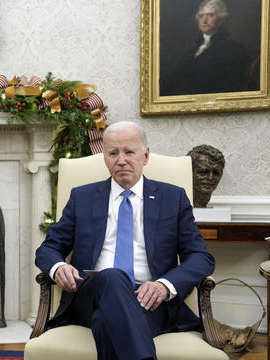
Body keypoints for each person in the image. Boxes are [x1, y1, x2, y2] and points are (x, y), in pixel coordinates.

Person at [35, 121, 215, 360]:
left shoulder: (173, 198)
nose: (121, 160)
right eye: (113, 153)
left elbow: (200, 257)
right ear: (105, 158)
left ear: (146, 155)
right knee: (111, 275)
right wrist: (58, 267)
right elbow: (48, 249)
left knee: (104, 323)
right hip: (90, 296)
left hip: (149, 300)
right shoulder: (83, 197)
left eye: (129, 152)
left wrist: (164, 285)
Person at [161, 0, 253, 96]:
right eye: (201, 16)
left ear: (221, 19)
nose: (204, 21)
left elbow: (231, 85)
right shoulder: (192, 51)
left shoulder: (235, 49)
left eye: (210, 15)